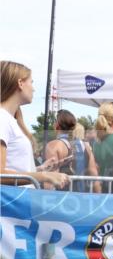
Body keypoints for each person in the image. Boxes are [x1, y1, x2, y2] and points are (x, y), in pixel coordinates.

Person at [0, 60, 69, 188]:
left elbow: (14, 168)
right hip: (12, 204)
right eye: (31, 82)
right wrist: (44, 176)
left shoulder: (8, 120)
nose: (34, 88)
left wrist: (40, 169)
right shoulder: (2, 119)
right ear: (20, 83)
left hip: (19, 201)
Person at [44, 110, 100, 192]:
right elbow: (94, 176)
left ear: (56, 125)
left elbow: (50, 182)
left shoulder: (54, 145)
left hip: (62, 199)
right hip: (82, 199)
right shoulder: (86, 146)